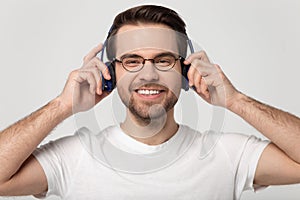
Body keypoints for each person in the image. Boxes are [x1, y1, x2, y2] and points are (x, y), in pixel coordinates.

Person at [0, 4, 299, 200]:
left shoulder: (229, 155)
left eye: (164, 60)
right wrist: (62, 106)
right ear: (110, 71)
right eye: (132, 61)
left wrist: (235, 101)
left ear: (185, 70)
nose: (149, 74)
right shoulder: (74, 157)